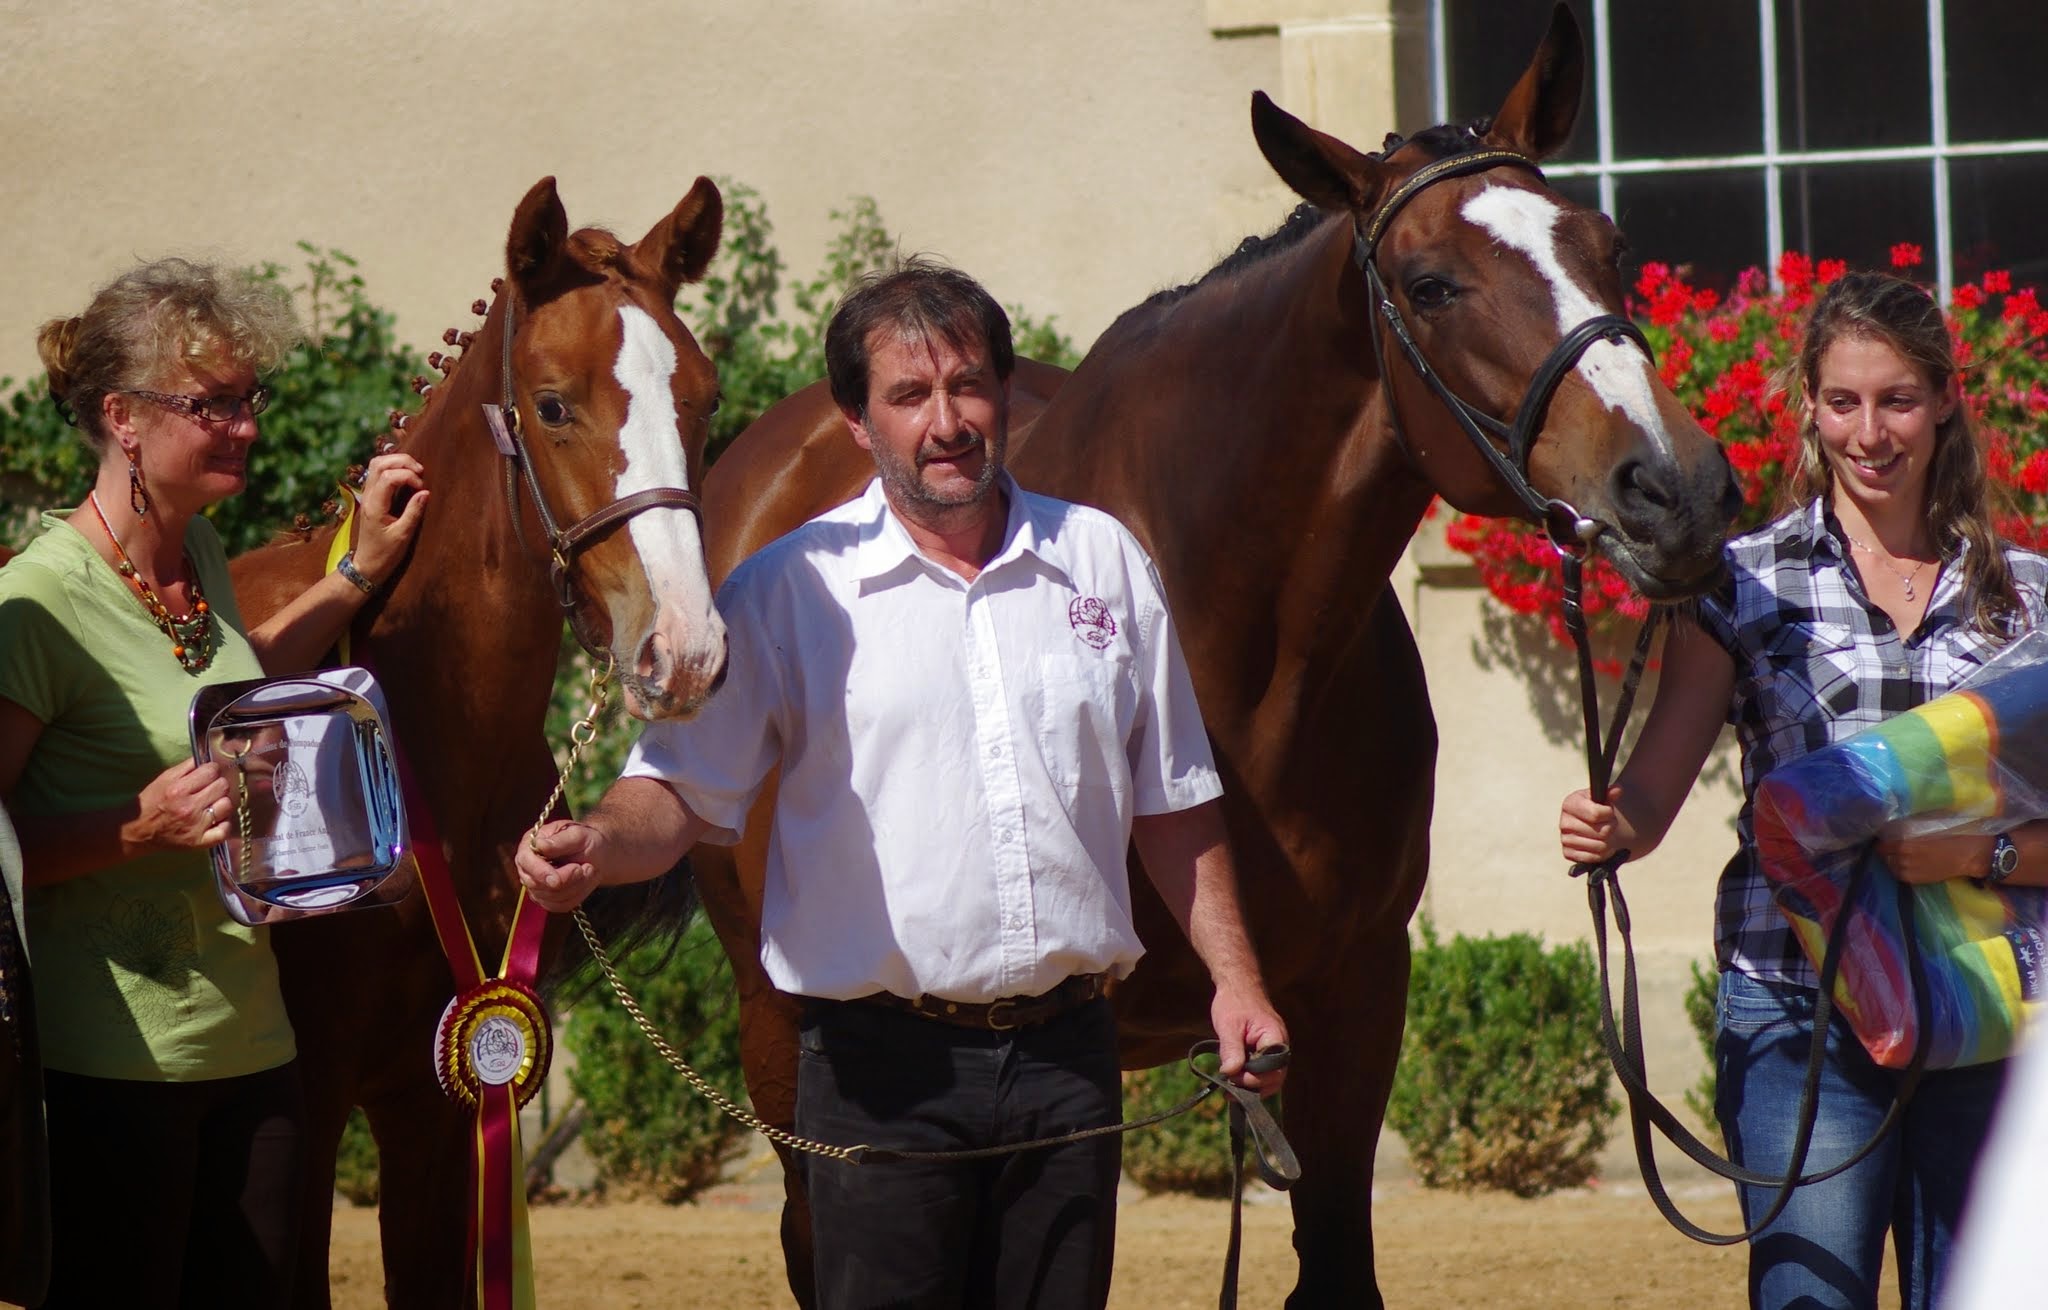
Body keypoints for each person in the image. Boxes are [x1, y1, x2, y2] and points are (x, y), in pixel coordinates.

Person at [516, 258, 1285, 1309]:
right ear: (854, 420)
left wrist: (1233, 979)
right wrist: (599, 842)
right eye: (909, 395)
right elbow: (682, 792)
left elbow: (1174, 799)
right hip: (877, 1077)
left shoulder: (1100, 559)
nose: (947, 420)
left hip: (1067, 1063)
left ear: (1004, 396)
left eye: (967, 384)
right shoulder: (788, 587)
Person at [1559, 269, 2048, 1310]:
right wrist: (1614, 821)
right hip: (1795, 1006)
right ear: (1808, 408)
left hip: (1984, 1007)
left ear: (1945, 399)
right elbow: (1655, 781)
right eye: (1841, 402)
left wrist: (1979, 854)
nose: (1868, 433)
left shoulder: (2026, 594)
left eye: (1896, 399)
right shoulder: (1740, 580)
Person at [0, 256, 428, 1307]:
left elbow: (231, 684)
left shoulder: (205, 556)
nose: (242, 425)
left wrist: (356, 572)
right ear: (124, 418)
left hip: (255, 1044)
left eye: (248, 400)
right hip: (105, 1072)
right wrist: (133, 828)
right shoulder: (36, 603)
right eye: (211, 405)